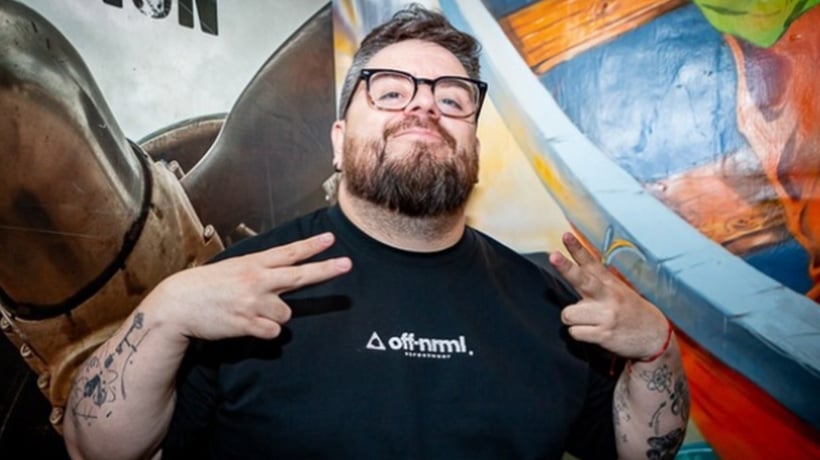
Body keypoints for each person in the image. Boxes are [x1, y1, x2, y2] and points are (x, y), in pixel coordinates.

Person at [63, 5, 689, 459]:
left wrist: (657, 350)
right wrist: (167, 312)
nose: (423, 106)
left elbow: (637, 450)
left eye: (452, 100)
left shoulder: (549, 300)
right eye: (390, 93)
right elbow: (95, 448)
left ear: (474, 147)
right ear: (338, 142)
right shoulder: (236, 285)